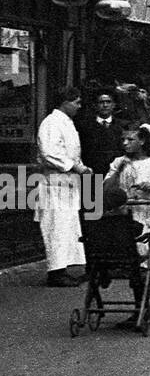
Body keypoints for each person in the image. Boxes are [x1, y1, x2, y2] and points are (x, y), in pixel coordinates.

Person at [105, 123, 150, 321]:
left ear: (142, 140)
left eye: (130, 139)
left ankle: (142, 304)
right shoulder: (119, 162)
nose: (125, 143)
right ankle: (139, 304)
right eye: (123, 139)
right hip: (125, 217)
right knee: (131, 260)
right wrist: (118, 173)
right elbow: (106, 190)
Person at [34, 88, 89, 287]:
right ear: (65, 102)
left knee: (66, 227)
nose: (79, 106)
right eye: (76, 102)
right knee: (56, 227)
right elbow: (49, 152)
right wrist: (74, 166)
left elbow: (71, 151)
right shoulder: (51, 123)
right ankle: (56, 272)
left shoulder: (67, 123)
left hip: (67, 183)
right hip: (54, 183)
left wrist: (79, 166)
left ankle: (63, 268)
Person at [78, 89, 125, 176]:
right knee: (90, 190)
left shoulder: (122, 126)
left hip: (115, 174)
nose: (105, 105)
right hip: (91, 174)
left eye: (108, 102)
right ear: (95, 105)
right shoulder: (84, 126)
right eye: (101, 102)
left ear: (114, 105)